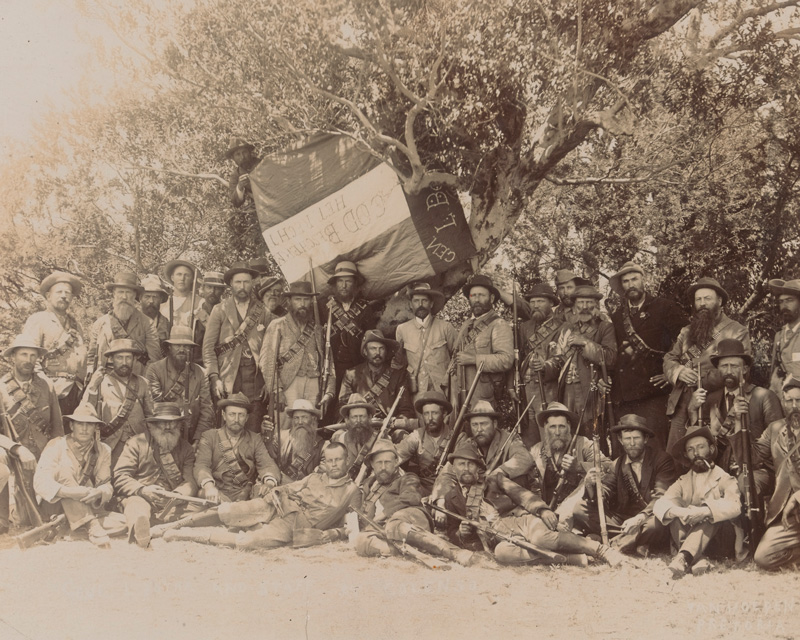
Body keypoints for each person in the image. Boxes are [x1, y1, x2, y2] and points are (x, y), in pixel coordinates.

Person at [433, 440, 626, 567]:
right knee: (502, 555)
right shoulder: (451, 497)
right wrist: (463, 534)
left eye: (470, 464)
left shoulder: (493, 480)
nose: (466, 469)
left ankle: (600, 550)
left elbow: (521, 495)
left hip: (520, 521)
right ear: (455, 468)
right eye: (461, 464)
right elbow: (452, 533)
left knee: (541, 539)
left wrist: (542, 510)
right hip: (499, 538)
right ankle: (574, 559)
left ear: (477, 468)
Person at [163, 441, 361, 551]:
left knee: (248, 542)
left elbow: (353, 525)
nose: (333, 464)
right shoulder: (315, 477)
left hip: (297, 523)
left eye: (338, 460)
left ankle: (183, 535)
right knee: (230, 510)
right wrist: (276, 491)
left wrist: (335, 534)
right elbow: (289, 489)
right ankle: (172, 525)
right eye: (330, 460)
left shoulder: (352, 491)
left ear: (347, 461)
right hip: (278, 504)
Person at [353, 438, 474, 566]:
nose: (383, 467)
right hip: (385, 531)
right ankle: (409, 550)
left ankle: (454, 552)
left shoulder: (408, 478)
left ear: (395, 463)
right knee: (361, 542)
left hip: (412, 520)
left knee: (394, 524)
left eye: (387, 462)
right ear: (372, 464)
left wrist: (383, 515)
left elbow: (411, 498)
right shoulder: (368, 485)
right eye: (379, 463)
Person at [663, 277, 751, 451]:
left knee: (711, 451)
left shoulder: (737, 331)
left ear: (719, 301)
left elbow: (736, 370)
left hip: (715, 400)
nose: (702, 303)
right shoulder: (687, 332)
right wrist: (679, 371)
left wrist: (697, 379)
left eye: (707, 298)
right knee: (676, 452)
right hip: (682, 400)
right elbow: (669, 358)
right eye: (698, 299)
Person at [608, 262, 687, 449]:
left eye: (634, 279)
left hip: (653, 394)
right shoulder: (617, 316)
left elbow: (689, 342)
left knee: (654, 449)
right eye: (625, 281)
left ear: (644, 280)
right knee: (625, 450)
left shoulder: (665, 307)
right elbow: (613, 353)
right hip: (623, 396)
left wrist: (672, 374)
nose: (631, 284)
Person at [573, 414, 676, 556]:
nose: (632, 443)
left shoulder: (662, 460)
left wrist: (639, 518)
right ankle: (638, 542)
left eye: (636, 438)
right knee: (580, 509)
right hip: (623, 521)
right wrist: (591, 484)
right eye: (627, 438)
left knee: (657, 524)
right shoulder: (617, 464)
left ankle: (615, 544)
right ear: (621, 440)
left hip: (648, 517)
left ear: (645, 439)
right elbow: (605, 493)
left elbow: (662, 496)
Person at [688, 338, 781, 495]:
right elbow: (700, 441)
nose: (729, 370)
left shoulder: (764, 397)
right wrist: (692, 410)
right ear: (718, 369)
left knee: (744, 485)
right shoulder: (711, 399)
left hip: (756, 468)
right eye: (724, 366)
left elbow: (779, 441)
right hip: (720, 468)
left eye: (734, 366)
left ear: (744, 369)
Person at [33, 402, 126, 548]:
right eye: (80, 424)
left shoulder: (103, 450)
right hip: (55, 505)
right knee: (63, 470)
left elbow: (105, 483)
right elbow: (40, 481)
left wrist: (99, 492)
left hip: (86, 504)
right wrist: (70, 492)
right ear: (71, 426)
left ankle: (70, 530)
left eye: (89, 424)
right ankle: (91, 525)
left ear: (96, 428)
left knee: (124, 523)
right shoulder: (56, 445)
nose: (84, 429)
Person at [654, 424, 742, 578]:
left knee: (710, 514)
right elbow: (660, 504)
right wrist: (682, 512)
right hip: (695, 541)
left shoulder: (724, 478)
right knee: (673, 513)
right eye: (690, 449)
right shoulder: (683, 481)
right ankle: (698, 559)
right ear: (686, 455)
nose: (696, 453)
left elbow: (735, 506)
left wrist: (704, 511)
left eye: (701, 447)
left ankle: (684, 557)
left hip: (719, 542)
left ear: (711, 449)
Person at [113, 402, 197, 548]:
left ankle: (157, 522)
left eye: (173, 423)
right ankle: (142, 530)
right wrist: (143, 490)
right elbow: (120, 476)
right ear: (152, 425)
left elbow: (190, 481)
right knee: (136, 505)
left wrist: (177, 494)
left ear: (179, 426)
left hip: (173, 501)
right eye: (163, 423)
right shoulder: (136, 443)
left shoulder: (186, 449)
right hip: (143, 497)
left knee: (204, 508)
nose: (168, 427)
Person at [0, 335, 62, 528]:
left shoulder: (46, 385)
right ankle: (2, 517)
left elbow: (57, 426)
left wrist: (54, 454)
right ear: (13, 357)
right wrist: (17, 449)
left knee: (47, 514)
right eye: (23, 354)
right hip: (14, 454)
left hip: (43, 452)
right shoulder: (1, 387)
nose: (28, 360)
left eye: (33, 355)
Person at [203, 261, 270, 432]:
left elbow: (272, 349)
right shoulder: (220, 310)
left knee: (253, 429)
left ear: (252, 283)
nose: (242, 286)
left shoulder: (263, 312)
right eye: (238, 282)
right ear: (231, 284)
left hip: (256, 380)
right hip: (228, 379)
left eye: (246, 282)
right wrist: (214, 377)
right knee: (228, 429)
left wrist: (269, 380)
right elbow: (208, 348)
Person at [542, 284, 617, 437]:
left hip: (591, 389)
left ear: (596, 305)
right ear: (574, 307)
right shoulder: (567, 328)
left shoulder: (605, 327)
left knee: (592, 435)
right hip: (567, 390)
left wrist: (584, 342)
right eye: (580, 303)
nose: (584, 307)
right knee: (568, 433)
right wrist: (544, 367)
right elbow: (558, 359)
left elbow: (610, 358)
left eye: (589, 302)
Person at [260, 281, 335, 428]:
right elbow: (266, 362)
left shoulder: (317, 329)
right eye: (298, 299)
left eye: (306, 299)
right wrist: (276, 390)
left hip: (314, 384)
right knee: (284, 427)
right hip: (287, 385)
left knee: (309, 427)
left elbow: (328, 362)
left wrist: (329, 392)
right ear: (289, 302)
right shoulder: (277, 325)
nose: (302, 304)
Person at [431, 400, 533, 504]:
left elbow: (525, 458)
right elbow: (448, 472)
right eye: (475, 425)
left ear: (494, 423)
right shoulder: (469, 444)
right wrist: (441, 499)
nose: (479, 429)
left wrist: (499, 472)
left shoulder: (509, 439)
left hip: (507, 498)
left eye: (484, 424)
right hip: (479, 498)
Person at [525, 401, 611, 519]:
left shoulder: (583, 444)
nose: (557, 432)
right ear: (545, 428)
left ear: (569, 426)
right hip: (547, 512)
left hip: (579, 511)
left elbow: (608, 466)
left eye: (561, 426)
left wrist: (579, 467)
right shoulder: (536, 450)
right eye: (552, 427)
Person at [194, 392, 280, 503]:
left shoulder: (255, 439)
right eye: (232, 414)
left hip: (245, 494)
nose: (236, 419)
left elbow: (267, 464)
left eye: (241, 415)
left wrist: (269, 483)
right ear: (224, 416)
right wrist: (209, 486)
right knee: (203, 494)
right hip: (218, 491)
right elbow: (202, 465)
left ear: (247, 418)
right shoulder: (209, 436)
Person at [23, 271, 87, 416]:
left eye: (68, 293)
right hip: (48, 390)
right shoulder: (38, 320)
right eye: (59, 292)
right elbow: (29, 357)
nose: (64, 296)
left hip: (75, 392)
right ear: (48, 296)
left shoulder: (76, 325)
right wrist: (45, 386)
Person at [753, 376, 800, 570]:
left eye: (799, 400)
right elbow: (753, 457)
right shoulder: (775, 429)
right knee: (763, 557)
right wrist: (736, 424)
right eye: (789, 401)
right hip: (788, 515)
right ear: (783, 402)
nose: (795, 406)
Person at [83, 339, 154, 464]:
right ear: (111, 359)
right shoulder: (100, 382)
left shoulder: (143, 383)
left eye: (128, 358)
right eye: (119, 358)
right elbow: (84, 411)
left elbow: (151, 416)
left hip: (140, 444)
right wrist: (93, 386)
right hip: (111, 446)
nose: (124, 362)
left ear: (134, 360)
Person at [321, 261, 384, 400]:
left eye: (348, 281)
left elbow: (370, 339)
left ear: (355, 284)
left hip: (356, 367)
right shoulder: (323, 306)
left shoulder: (365, 308)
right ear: (335, 284)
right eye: (340, 281)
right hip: (329, 366)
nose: (344, 286)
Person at [451, 274, 513, 407]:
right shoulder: (465, 325)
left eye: (481, 295)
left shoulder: (499, 324)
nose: (477, 299)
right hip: (459, 396)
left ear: (491, 298)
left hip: (483, 396)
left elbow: (506, 360)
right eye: (473, 296)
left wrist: (474, 359)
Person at [145, 326, 214, 443]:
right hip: (162, 435)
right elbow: (154, 408)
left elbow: (206, 410)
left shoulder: (201, 373)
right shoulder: (155, 370)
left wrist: (198, 440)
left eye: (186, 346)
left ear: (191, 349)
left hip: (191, 437)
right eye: (177, 345)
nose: (182, 349)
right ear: (169, 347)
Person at [87, 270, 161, 377]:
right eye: (121, 292)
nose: (124, 297)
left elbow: (154, 358)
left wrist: (143, 382)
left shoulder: (147, 323)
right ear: (114, 294)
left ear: (135, 295)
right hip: (106, 380)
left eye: (128, 292)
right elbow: (91, 358)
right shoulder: (100, 324)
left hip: (136, 381)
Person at [394, 282, 456, 401]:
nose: (420, 305)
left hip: (443, 389)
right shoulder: (402, 330)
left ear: (431, 303)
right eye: (416, 301)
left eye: (424, 301)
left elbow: (457, 357)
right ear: (411, 304)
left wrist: (449, 380)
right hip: (416, 390)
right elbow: (399, 362)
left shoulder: (445, 327)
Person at [519, 283, 564, 444]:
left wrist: (546, 366)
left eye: (540, 301)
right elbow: (517, 356)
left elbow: (562, 358)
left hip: (548, 389)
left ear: (551, 303)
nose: (535, 305)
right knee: (529, 438)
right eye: (532, 302)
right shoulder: (525, 328)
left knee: (549, 435)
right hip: (526, 389)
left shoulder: (562, 327)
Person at [338, 329, 413, 421]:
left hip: (388, 426)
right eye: (373, 348)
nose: (377, 353)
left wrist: (393, 422)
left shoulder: (397, 375)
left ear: (386, 351)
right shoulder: (351, 374)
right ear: (365, 351)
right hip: (360, 424)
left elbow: (406, 410)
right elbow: (343, 407)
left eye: (381, 348)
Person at [395, 390, 454, 495]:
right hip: (423, 490)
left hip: (449, 490)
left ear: (444, 414)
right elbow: (395, 456)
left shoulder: (456, 437)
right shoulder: (417, 436)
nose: (430, 418)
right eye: (426, 413)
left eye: (434, 413)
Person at [268, 399, 325, 483]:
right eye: (296, 418)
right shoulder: (280, 437)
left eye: (304, 417)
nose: (300, 422)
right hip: (282, 486)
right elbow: (269, 462)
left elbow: (322, 474)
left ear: (313, 419)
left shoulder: (323, 445)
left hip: (308, 489)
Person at [332, 393, 380, 473]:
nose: (358, 421)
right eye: (354, 417)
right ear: (347, 419)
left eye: (362, 416)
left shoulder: (380, 438)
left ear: (369, 417)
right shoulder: (340, 440)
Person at [768, 278, 800, 396]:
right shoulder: (779, 335)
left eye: (789, 300)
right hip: (782, 401)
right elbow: (774, 372)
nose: (784, 306)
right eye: (781, 302)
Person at [193, 270, 226, 363]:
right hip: (197, 365)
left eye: (217, 288)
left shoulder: (227, 314)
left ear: (222, 291)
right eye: (209, 287)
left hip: (220, 362)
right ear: (203, 288)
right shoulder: (194, 315)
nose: (212, 291)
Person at [139, 274, 172, 358]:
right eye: (147, 297)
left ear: (161, 299)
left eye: (155, 297)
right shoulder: (132, 321)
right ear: (140, 298)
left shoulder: (167, 325)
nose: (151, 301)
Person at [225, 138, 261, 209]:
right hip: (264, 208)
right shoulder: (235, 176)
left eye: (244, 152)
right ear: (233, 158)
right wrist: (240, 187)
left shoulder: (262, 163)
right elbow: (235, 202)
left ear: (249, 152)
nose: (242, 157)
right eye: (238, 154)